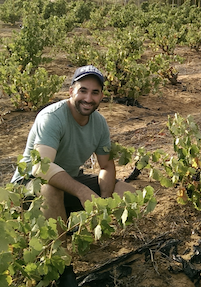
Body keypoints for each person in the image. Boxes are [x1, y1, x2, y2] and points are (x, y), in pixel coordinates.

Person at [11, 65, 135, 286]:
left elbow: (106, 165)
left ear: (101, 96)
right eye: (83, 90)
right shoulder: (52, 117)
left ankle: (68, 222)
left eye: (95, 92)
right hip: (28, 186)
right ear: (71, 91)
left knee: (126, 191)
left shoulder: (99, 123)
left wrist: (104, 203)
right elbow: (42, 169)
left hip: (66, 182)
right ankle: (62, 267)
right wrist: (82, 191)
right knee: (52, 188)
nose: (88, 98)